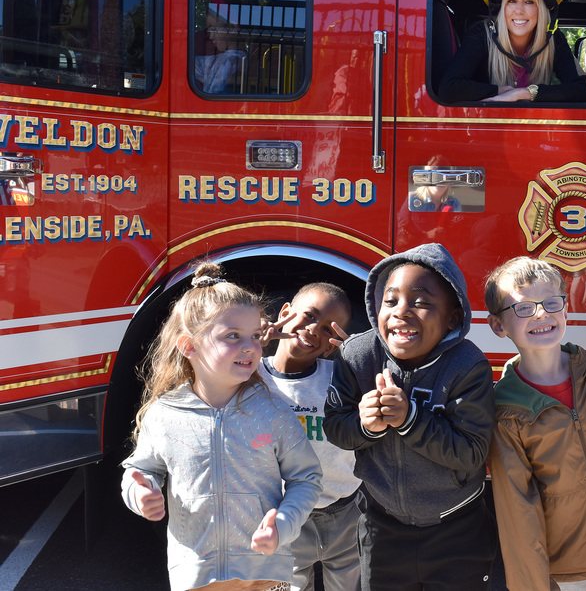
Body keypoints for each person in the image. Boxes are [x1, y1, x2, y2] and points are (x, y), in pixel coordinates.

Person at [121, 263, 322, 591]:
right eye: (233, 336)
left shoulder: (272, 411)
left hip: (265, 574)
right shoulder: (164, 415)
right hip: (199, 577)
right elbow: (139, 471)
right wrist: (140, 492)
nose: (251, 346)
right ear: (189, 346)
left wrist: (283, 525)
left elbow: (307, 478)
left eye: (256, 336)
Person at [323, 243, 496, 590]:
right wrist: (365, 427)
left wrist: (410, 419)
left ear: (453, 317)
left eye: (421, 302)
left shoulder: (467, 366)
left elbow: (471, 453)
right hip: (382, 526)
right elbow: (336, 427)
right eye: (391, 300)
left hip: (457, 528)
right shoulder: (357, 356)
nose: (401, 312)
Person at [484, 257, 586, 591]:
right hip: (568, 562)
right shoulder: (505, 409)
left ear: (565, 308)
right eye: (523, 308)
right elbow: (516, 508)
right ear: (498, 326)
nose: (542, 314)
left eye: (552, 303)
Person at [260, 282, 360, 591]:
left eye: (328, 329)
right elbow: (202, 360)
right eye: (308, 315)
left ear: (333, 345)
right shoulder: (248, 376)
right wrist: (249, 336)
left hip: (346, 512)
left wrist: (358, 349)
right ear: (286, 312)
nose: (314, 329)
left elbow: (389, 368)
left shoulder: (341, 379)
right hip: (284, 514)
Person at [437, 0, 586, 104]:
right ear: (500, 7)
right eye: (511, 0)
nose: (519, 10)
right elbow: (448, 88)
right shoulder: (481, 36)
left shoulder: (553, 39)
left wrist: (524, 93)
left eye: (530, 1)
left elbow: (583, 89)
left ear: (542, 8)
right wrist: (500, 90)